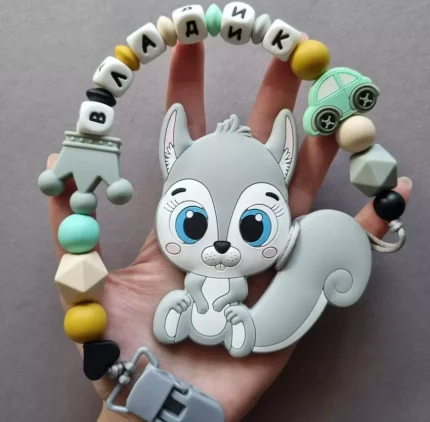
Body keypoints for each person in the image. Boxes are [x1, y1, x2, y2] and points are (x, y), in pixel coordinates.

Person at [45, 43, 413, 422]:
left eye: (255, 226)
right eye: (191, 223)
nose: (221, 245)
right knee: (180, 308)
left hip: (232, 320)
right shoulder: (184, 287)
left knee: (230, 321)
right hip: (190, 317)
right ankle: (197, 319)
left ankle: (237, 326)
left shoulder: (247, 281)